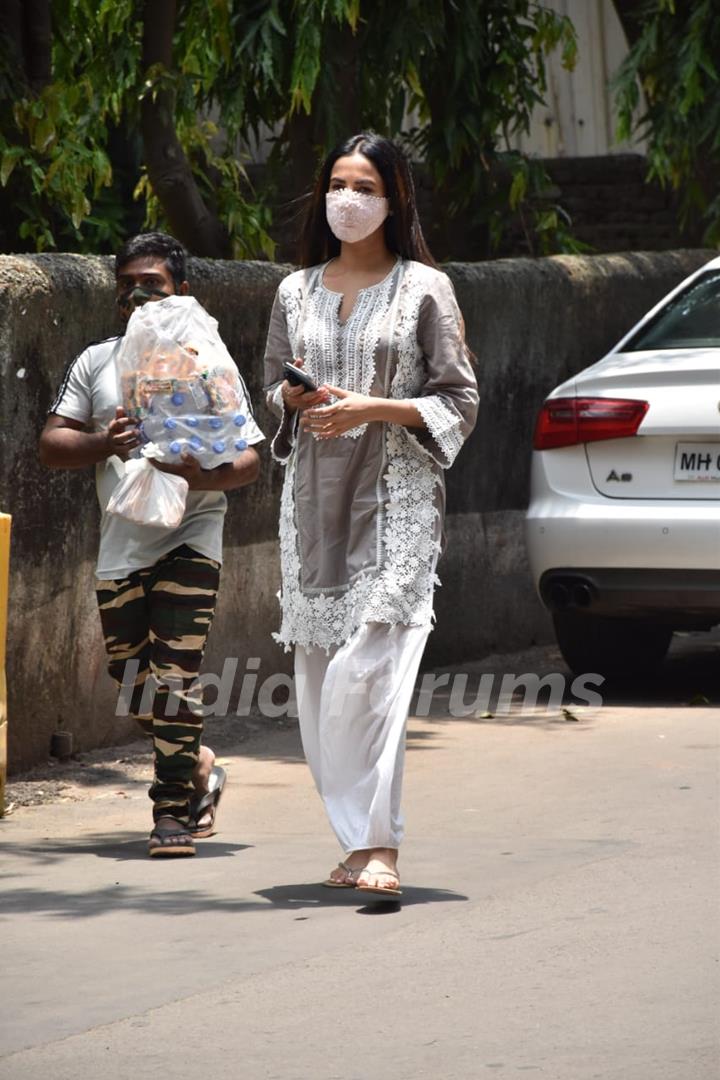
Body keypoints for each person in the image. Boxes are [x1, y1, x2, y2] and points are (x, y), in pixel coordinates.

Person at [263, 133, 478, 895]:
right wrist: (292, 399)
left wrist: (373, 408)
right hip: (315, 504)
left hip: (396, 502)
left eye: (364, 187)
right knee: (321, 676)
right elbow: (272, 394)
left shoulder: (425, 288)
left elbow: (460, 399)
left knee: (374, 668)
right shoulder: (294, 292)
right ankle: (355, 843)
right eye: (337, 184)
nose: (346, 199)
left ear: (394, 200)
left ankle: (380, 845)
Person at [39, 232, 264, 857]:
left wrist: (206, 477)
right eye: (126, 285)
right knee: (131, 677)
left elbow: (249, 457)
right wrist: (102, 443)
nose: (138, 295)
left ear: (181, 291)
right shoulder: (97, 362)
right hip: (122, 542)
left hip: (193, 531)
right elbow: (51, 444)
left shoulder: (208, 361)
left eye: (153, 283)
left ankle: (172, 814)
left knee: (174, 676)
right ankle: (196, 763)